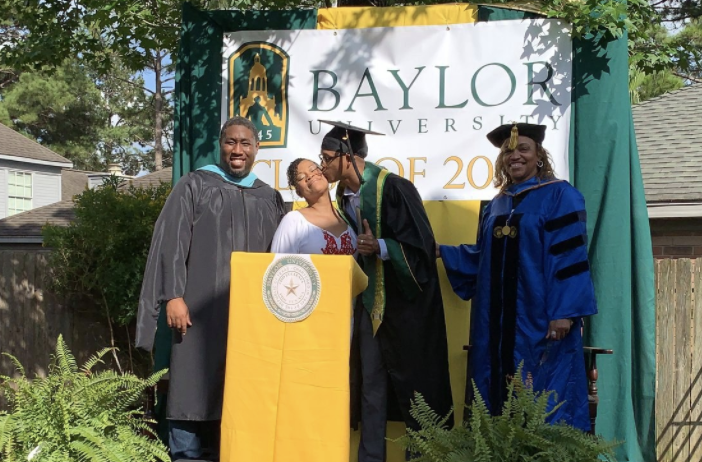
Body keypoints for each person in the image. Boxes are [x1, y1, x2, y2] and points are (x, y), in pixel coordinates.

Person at [135, 116, 285, 461]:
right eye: (231, 142)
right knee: (189, 388)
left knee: (237, 392)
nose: (237, 150)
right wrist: (173, 296)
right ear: (221, 145)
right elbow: (171, 243)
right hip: (196, 311)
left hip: (249, 318)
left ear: (257, 148)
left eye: (245, 143)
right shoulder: (195, 185)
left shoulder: (269, 197)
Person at [439, 122, 597, 432]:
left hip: (538, 322)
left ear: (539, 154)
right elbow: (484, 257)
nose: (515, 156)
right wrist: (442, 252)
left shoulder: (560, 196)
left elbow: (569, 257)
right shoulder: (498, 203)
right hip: (495, 327)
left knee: (543, 397)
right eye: (508, 151)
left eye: (523, 148)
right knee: (495, 398)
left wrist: (563, 313)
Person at [318, 120, 453, 462]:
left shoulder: (394, 189)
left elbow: (423, 249)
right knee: (370, 387)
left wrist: (379, 245)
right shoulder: (342, 197)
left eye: (328, 158)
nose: (323, 166)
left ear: (347, 155)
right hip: (368, 305)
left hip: (406, 309)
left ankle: (422, 457)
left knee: (415, 389)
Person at [271, 158, 357, 256]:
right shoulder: (294, 221)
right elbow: (278, 266)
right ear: (299, 192)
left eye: (313, 169)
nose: (309, 175)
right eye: (301, 177)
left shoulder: (348, 218)